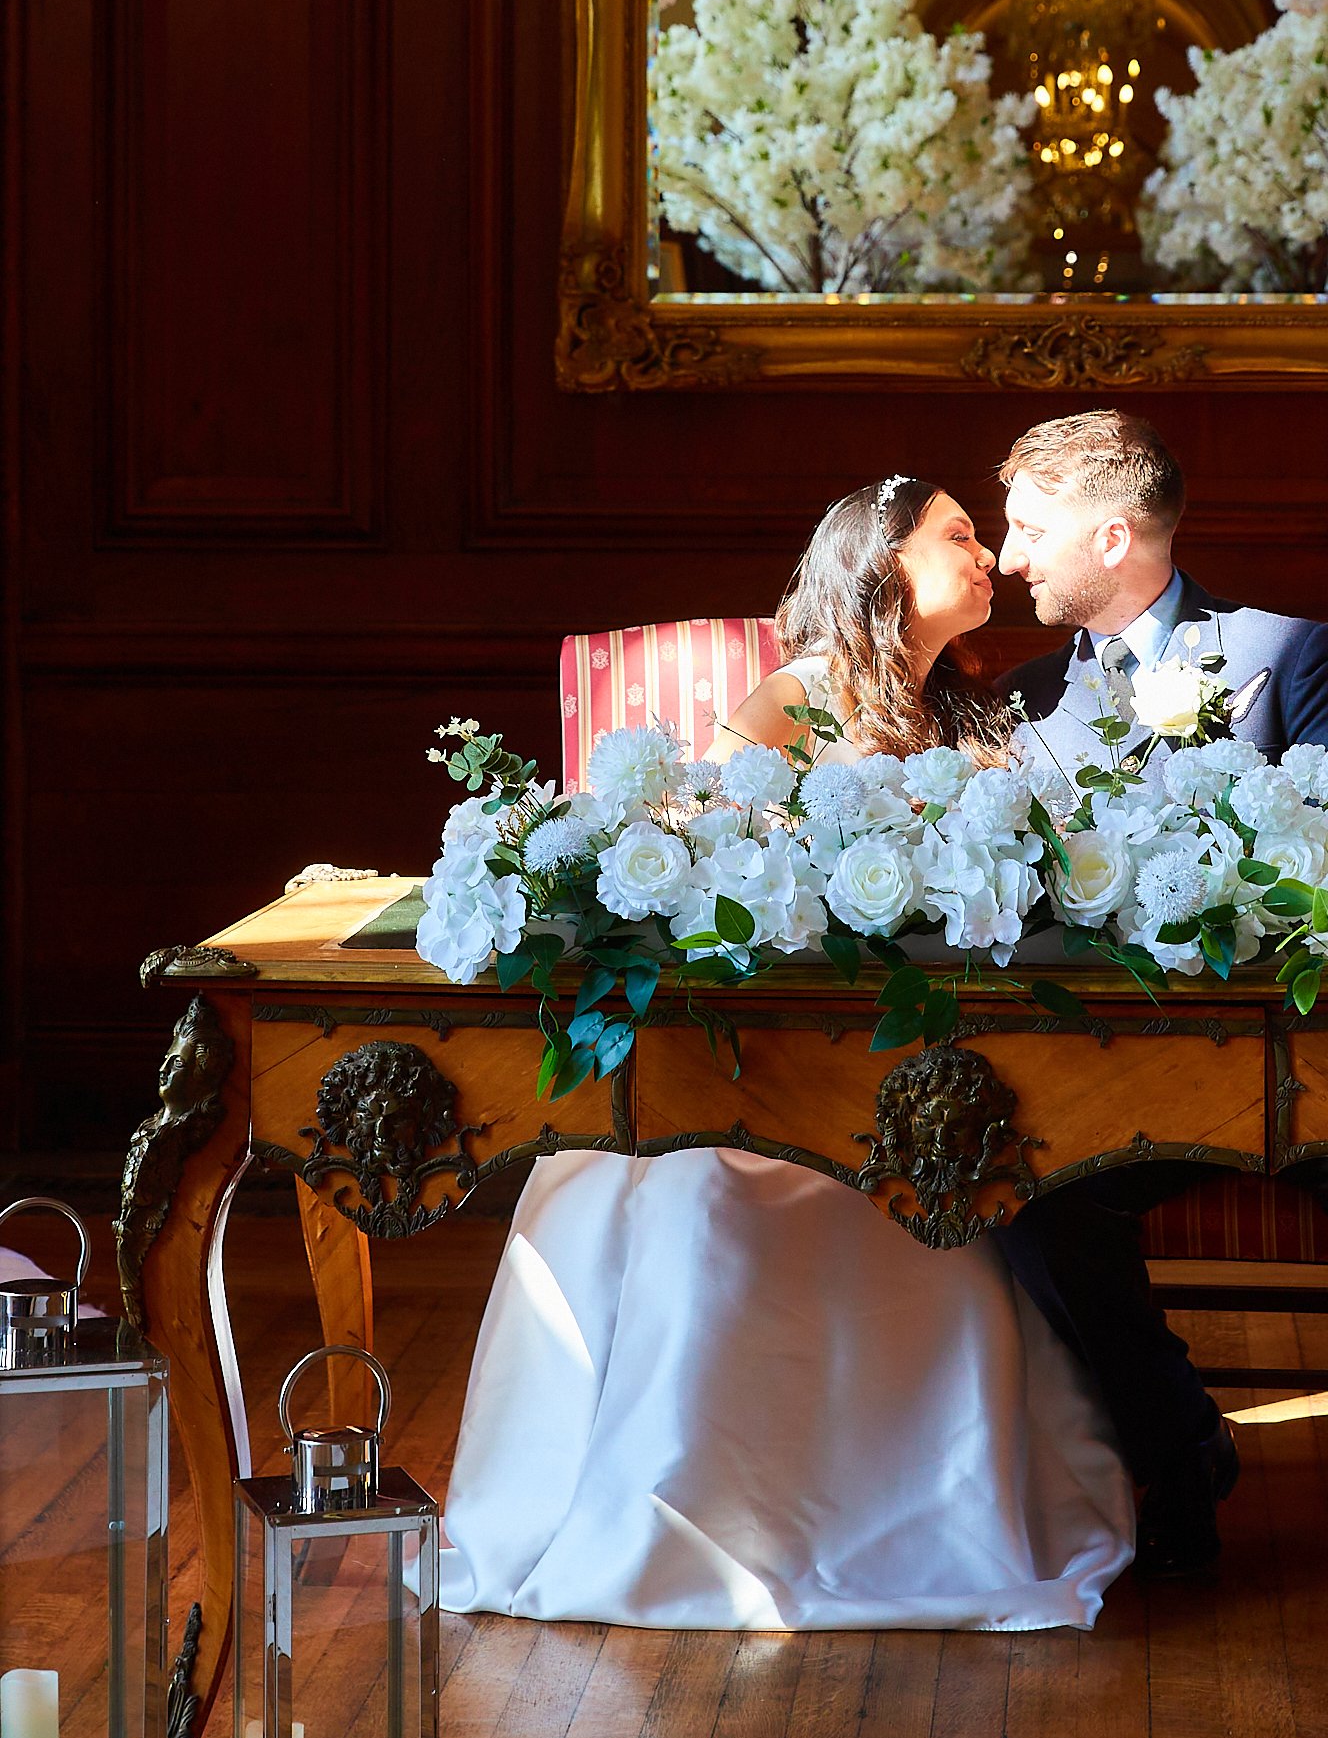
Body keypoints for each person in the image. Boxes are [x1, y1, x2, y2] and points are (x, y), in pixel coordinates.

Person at [440, 474, 1134, 1633]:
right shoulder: (791, 702)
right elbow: (699, 879)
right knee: (706, 1186)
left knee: (944, 1150)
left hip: (914, 1061)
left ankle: (922, 1513)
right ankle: (693, 1519)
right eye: (958, 535)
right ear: (880, 564)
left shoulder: (976, 718)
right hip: (768, 1059)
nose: (989, 558)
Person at [996, 406, 1328, 1577]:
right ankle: (1180, 1452)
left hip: (1306, 1060)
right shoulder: (1027, 697)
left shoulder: (1283, 655)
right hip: (1128, 1077)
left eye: (1030, 529)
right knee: (1038, 1220)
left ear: (1113, 536)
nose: (1011, 557)